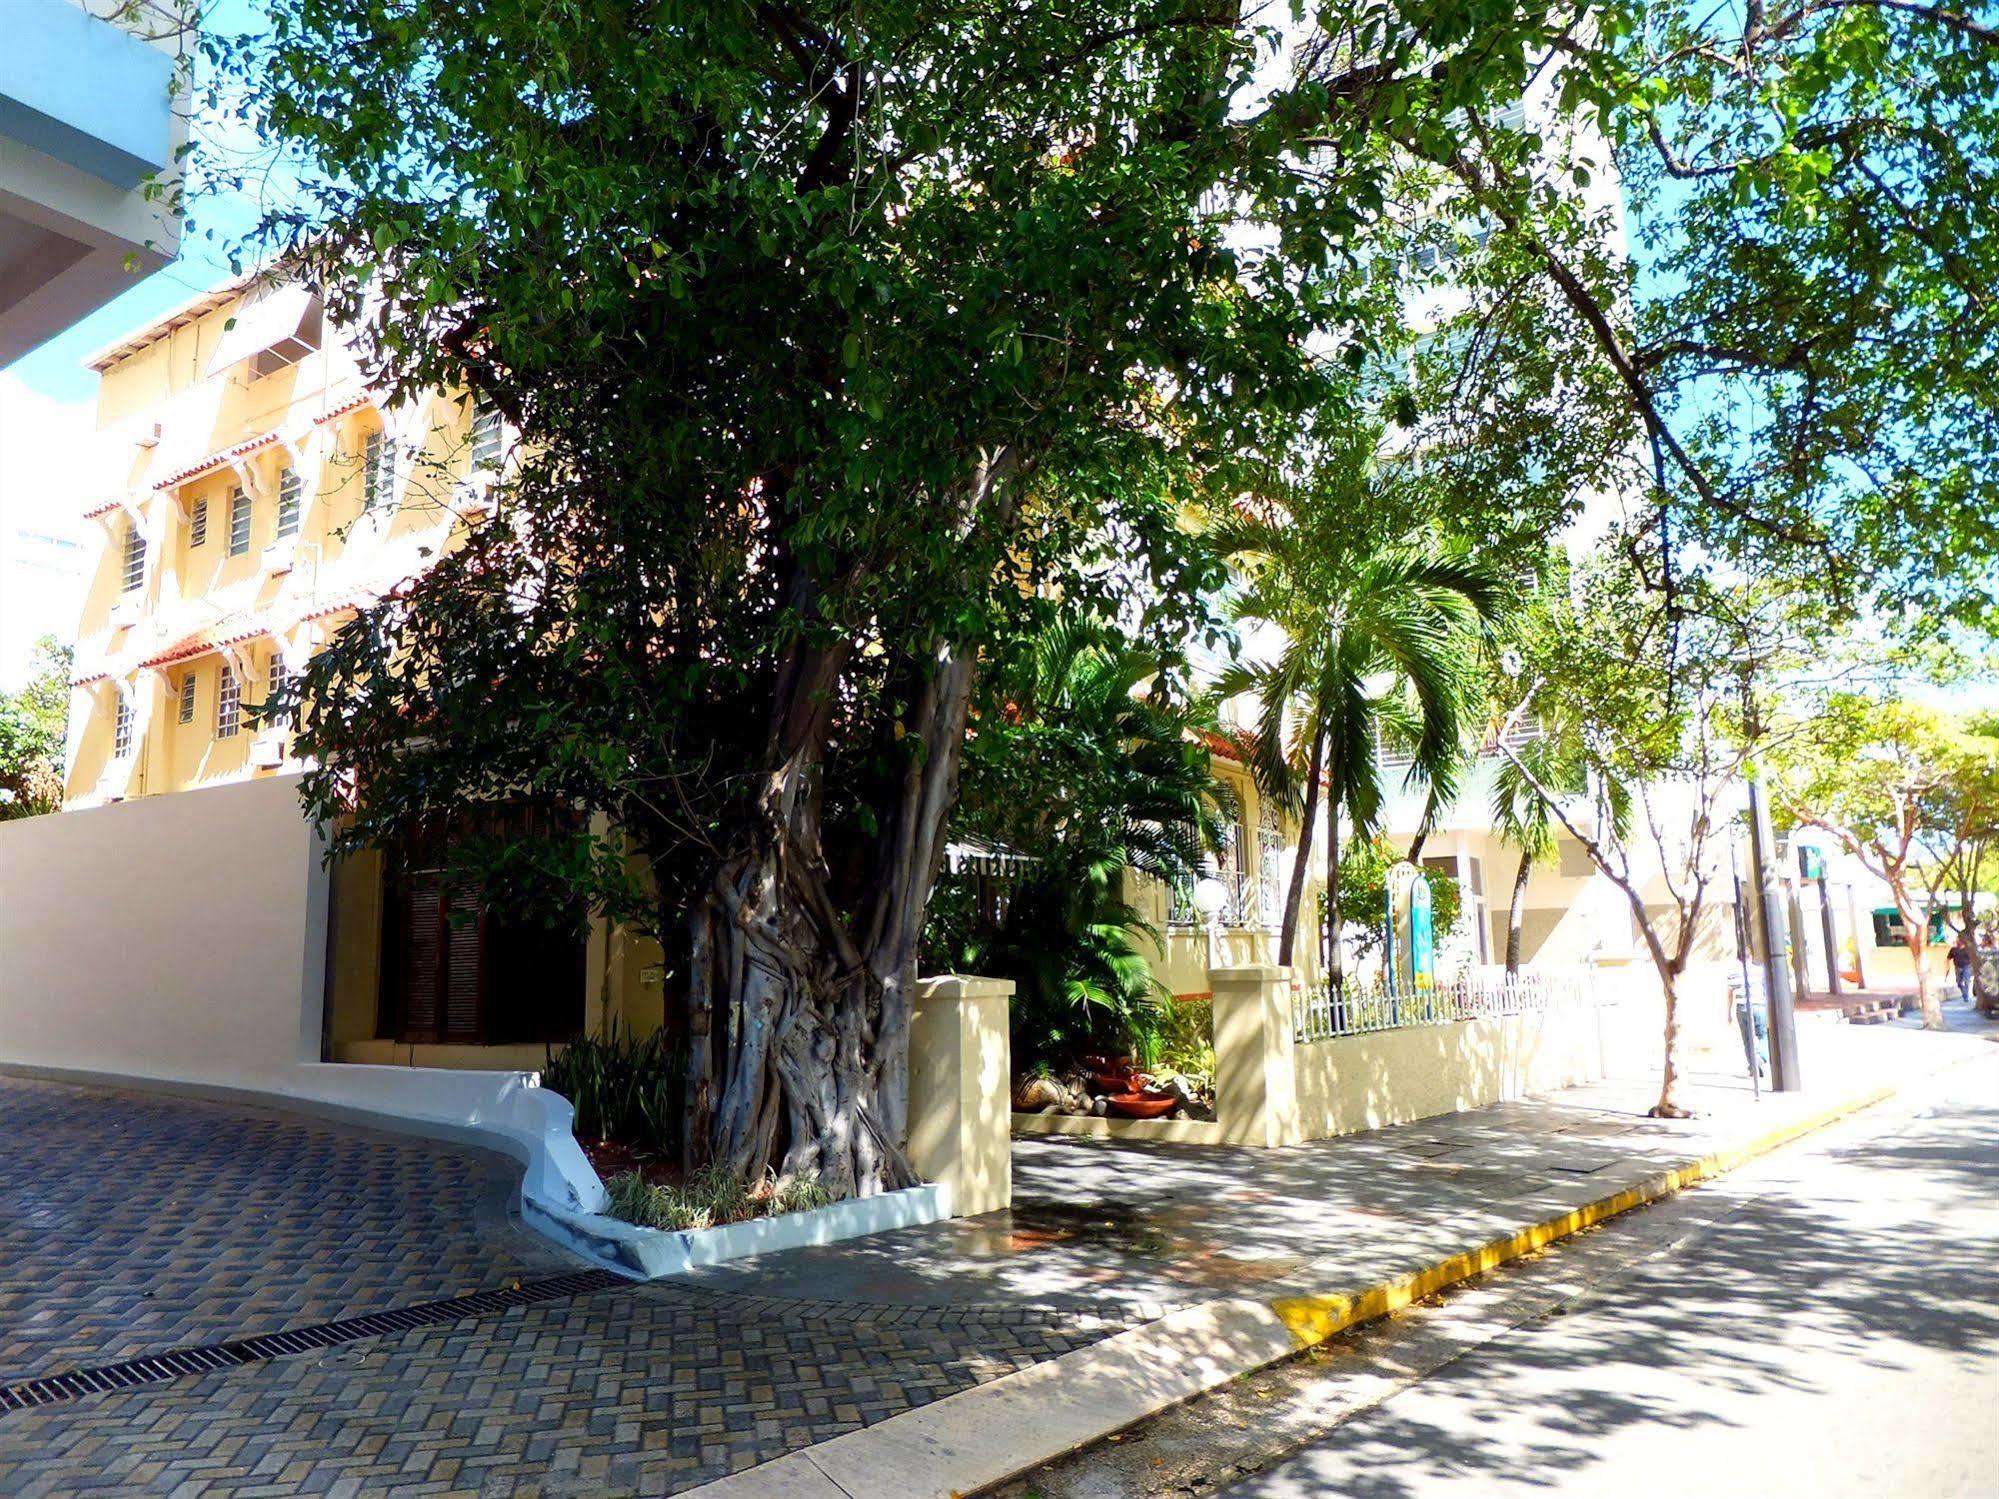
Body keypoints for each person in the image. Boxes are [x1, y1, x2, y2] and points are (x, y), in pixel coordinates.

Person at [1946, 933, 1975, 1005]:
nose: (1958, 941)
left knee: (1966, 981)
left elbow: (1973, 958)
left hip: (1967, 967)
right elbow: (1948, 958)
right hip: (1958, 967)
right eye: (1957, 940)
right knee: (1959, 983)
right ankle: (1964, 993)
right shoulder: (1953, 949)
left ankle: (1966, 996)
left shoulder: (1968, 949)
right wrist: (1947, 967)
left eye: (1959, 940)